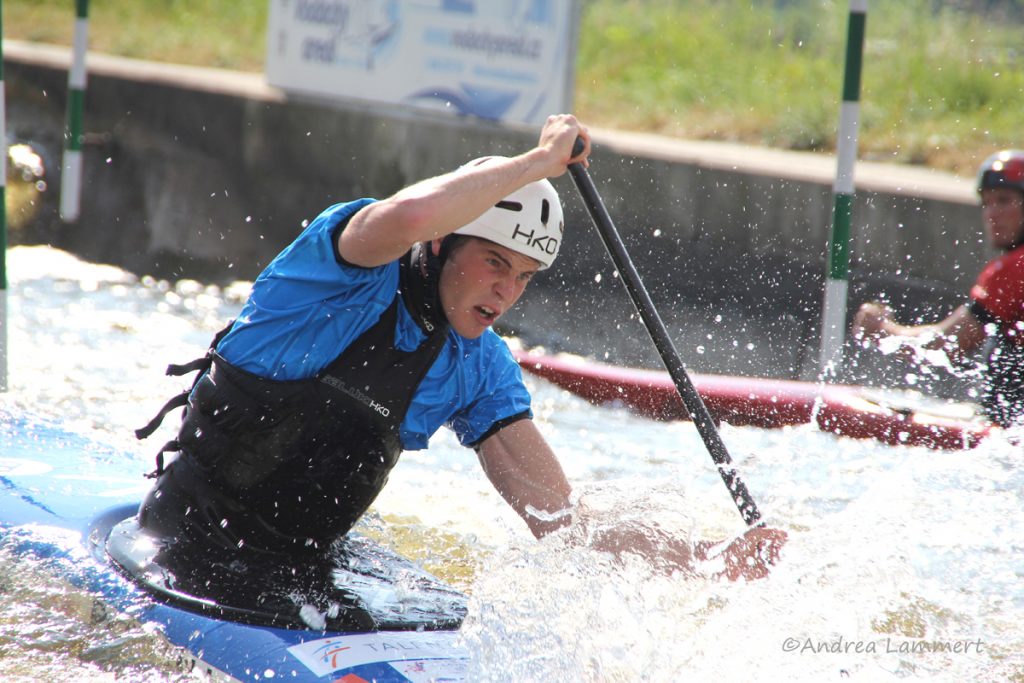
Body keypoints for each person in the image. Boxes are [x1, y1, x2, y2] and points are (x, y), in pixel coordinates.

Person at [133, 115, 784, 603]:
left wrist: (711, 557)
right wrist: (536, 162)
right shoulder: (344, 266)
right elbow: (412, 210)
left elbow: (561, 519)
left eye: (525, 275)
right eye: (494, 262)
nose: (506, 291)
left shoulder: (478, 365)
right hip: (181, 545)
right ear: (442, 243)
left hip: (302, 572)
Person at [852, 149, 1024, 428]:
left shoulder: (1015, 269)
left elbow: (947, 345)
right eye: (987, 203)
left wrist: (883, 331)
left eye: (1004, 201)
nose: (992, 214)